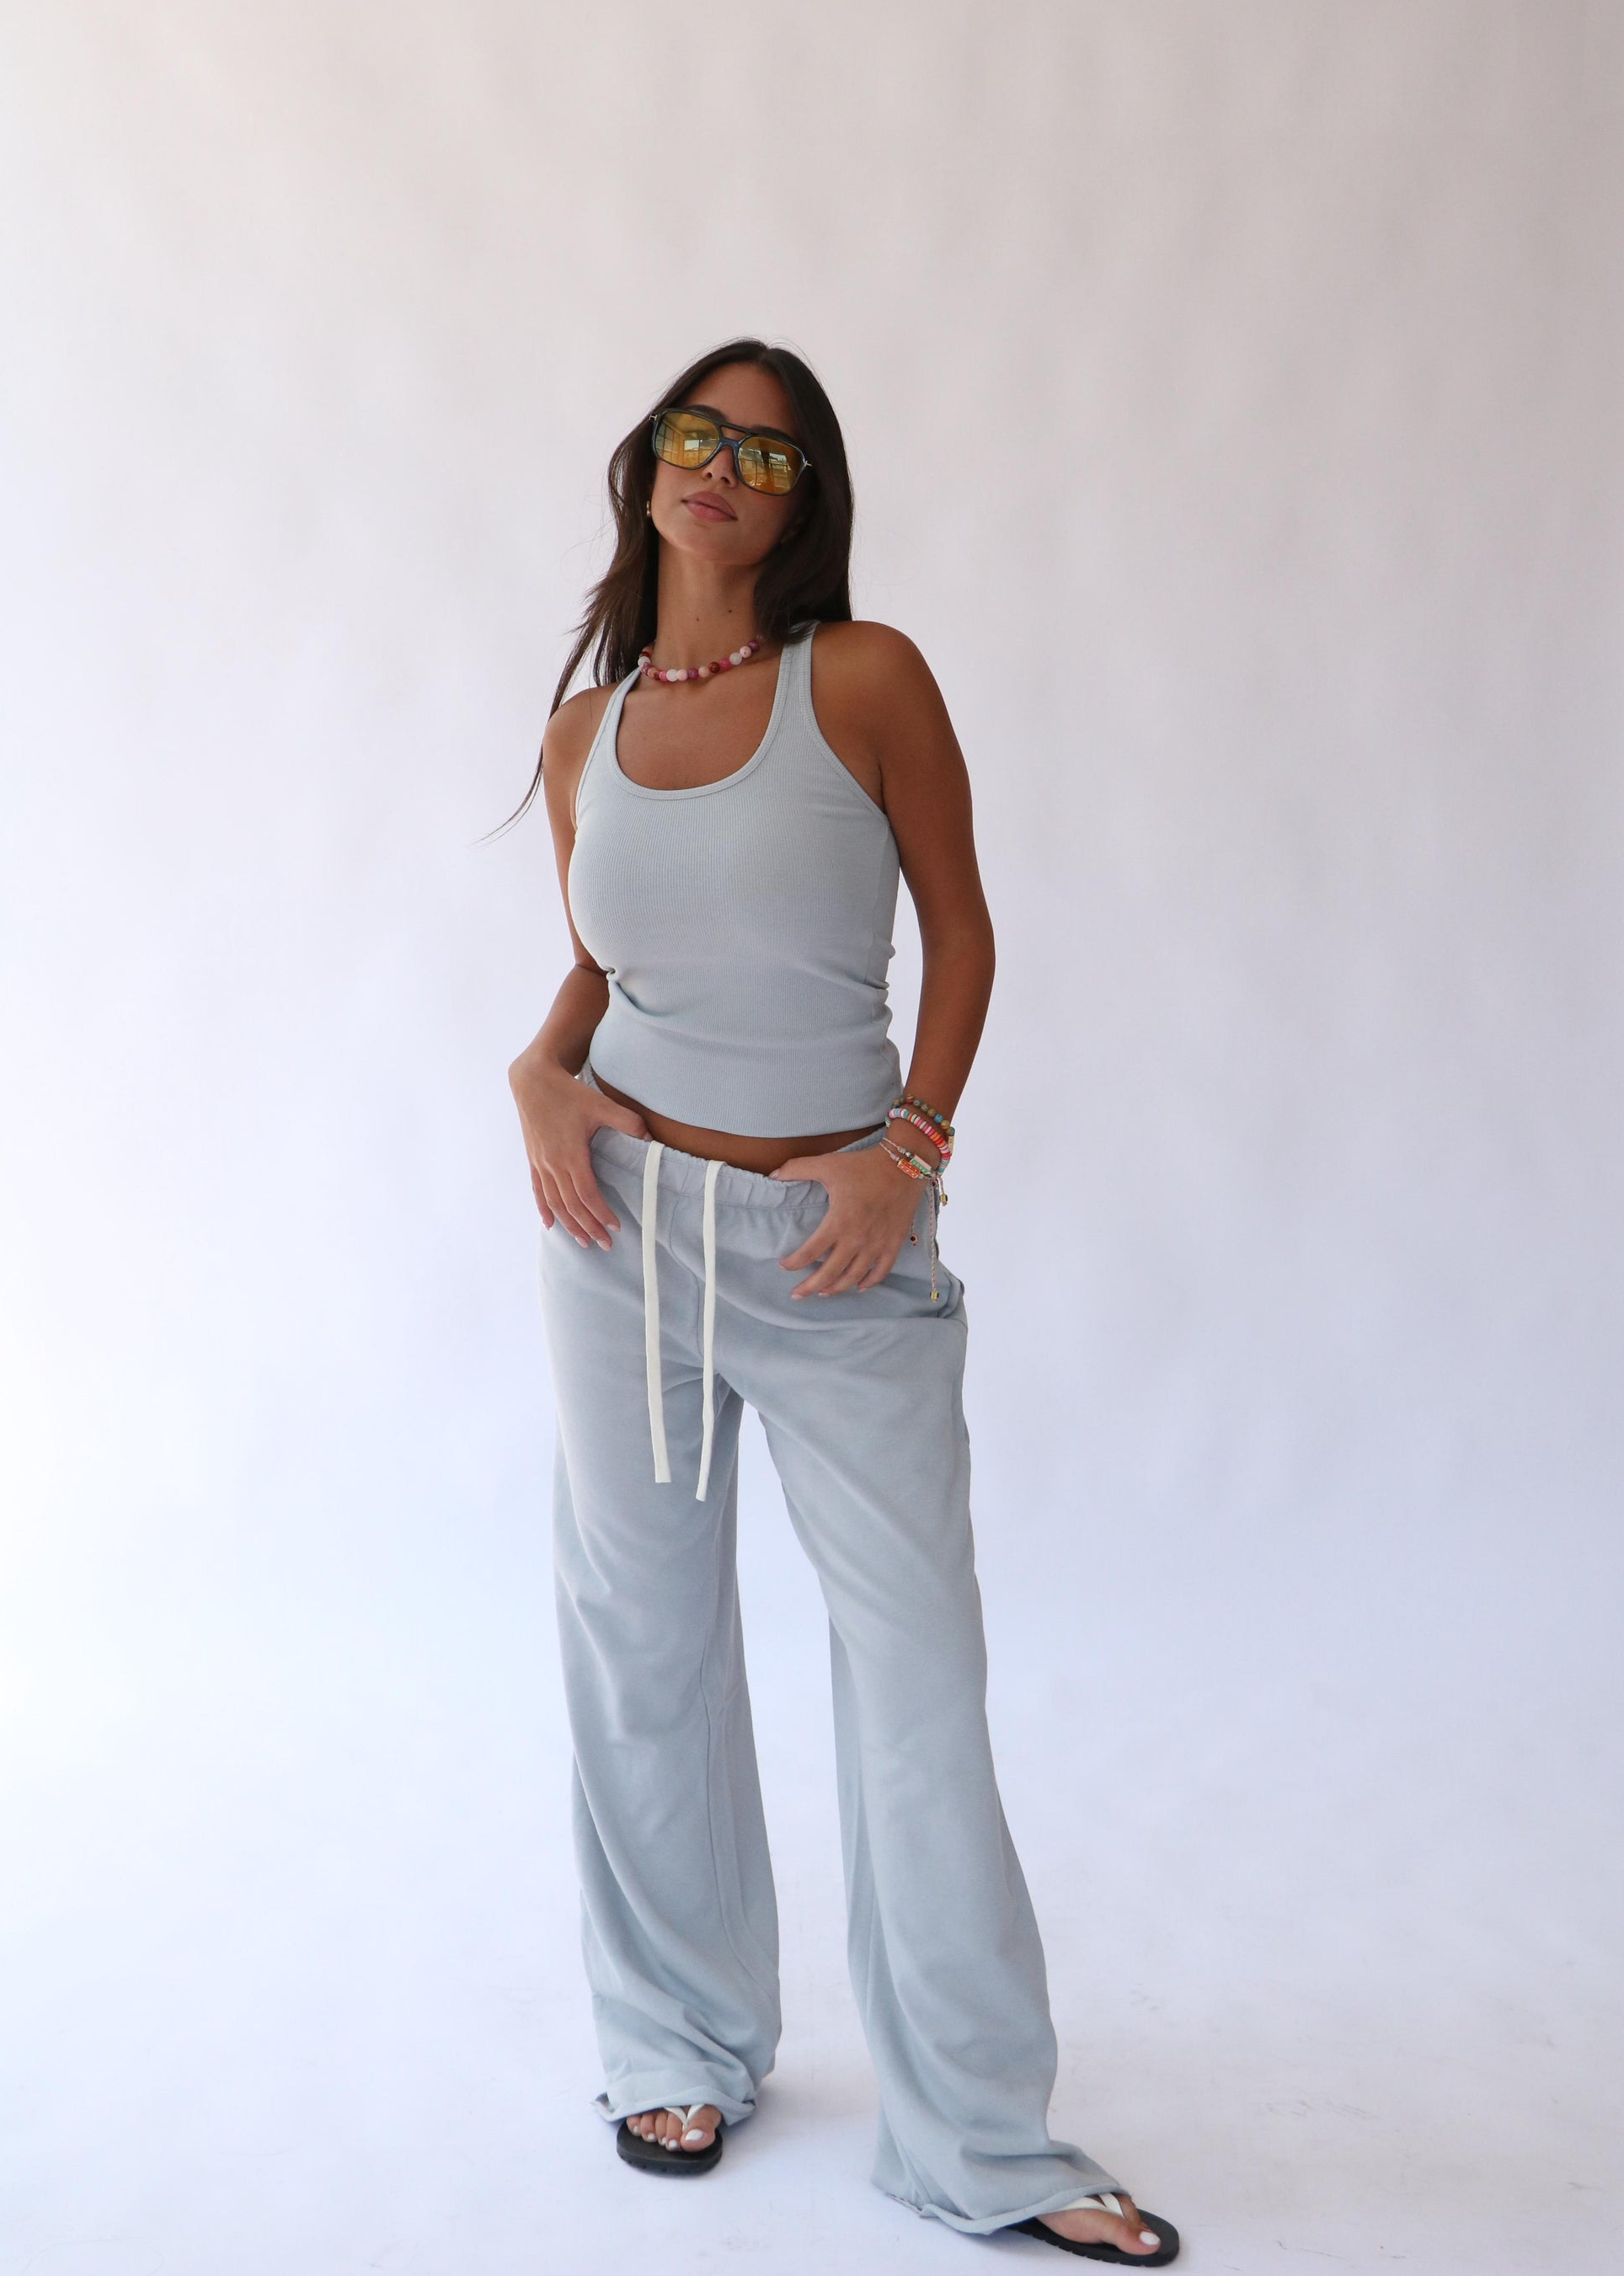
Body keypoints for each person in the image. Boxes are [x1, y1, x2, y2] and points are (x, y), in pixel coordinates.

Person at [505, 339, 1178, 2264]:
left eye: (768, 452)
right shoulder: (583, 733)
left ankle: (978, 2134)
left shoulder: (863, 679)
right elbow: (607, 963)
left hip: (838, 1244)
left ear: (805, 499)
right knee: (639, 1647)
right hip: (619, 1233)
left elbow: (959, 928)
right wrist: (539, 1072)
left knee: (915, 1681)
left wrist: (909, 1149)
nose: (723, 468)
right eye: (696, 435)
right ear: (646, 465)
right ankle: (676, 2041)